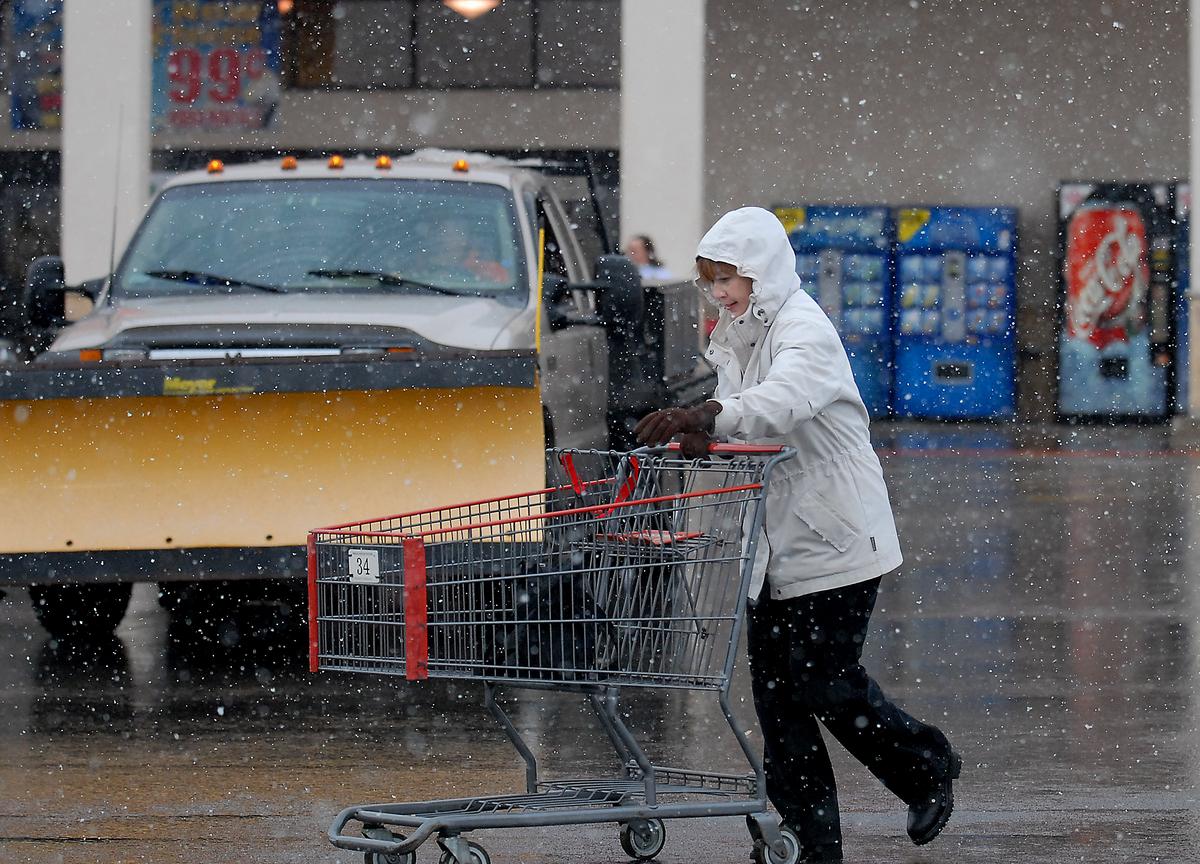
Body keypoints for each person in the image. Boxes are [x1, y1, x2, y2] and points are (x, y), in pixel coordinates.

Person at [634, 207, 960, 863]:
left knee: (826, 687)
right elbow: (758, 431)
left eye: (730, 279)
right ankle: (815, 845)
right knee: (779, 706)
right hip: (776, 549)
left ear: (762, 272)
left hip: (838, 541)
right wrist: (706, 441)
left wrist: (709, 411)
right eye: (713, 280)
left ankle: (926, 765)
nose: (721, 293)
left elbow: (782, 402)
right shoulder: (740, 336)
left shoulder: (804, 329)